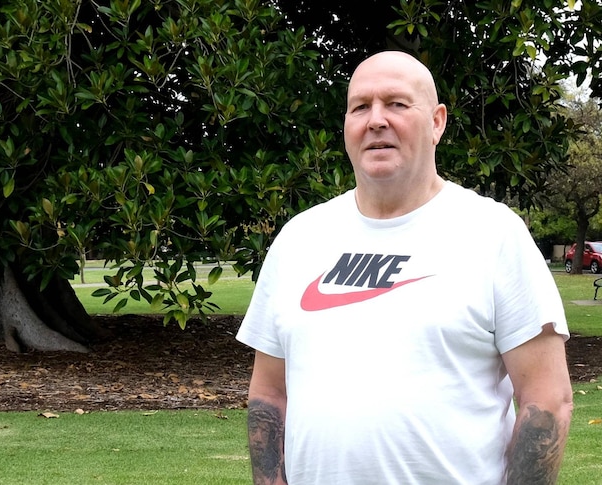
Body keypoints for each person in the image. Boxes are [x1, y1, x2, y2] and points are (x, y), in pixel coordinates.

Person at [236, 50, 573, 485]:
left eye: (396, 103)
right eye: (360, 106)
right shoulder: (299, 240)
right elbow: (268, 395)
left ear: (437, 122)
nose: (376, 120)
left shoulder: (493, 233)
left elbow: (546, 399)